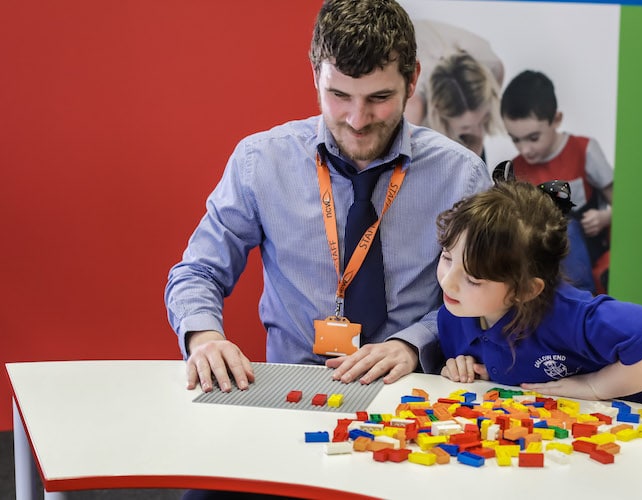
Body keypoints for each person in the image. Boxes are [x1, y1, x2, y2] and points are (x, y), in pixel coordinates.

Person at [164, 0, 492, 398]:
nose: (357, 119)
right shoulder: (261, 162)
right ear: (315, 76)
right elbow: (197, 272)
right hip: (291, 388)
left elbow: (489, 293)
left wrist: (412, 343)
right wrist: (204, 338)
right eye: (339, 95)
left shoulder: (462, 174)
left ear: (412, 79)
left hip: (413, 390)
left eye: (379, 97)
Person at [435, 180, 642, 402]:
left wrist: (595, 386)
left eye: (473, 279)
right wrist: (462, 368)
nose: (448, 282)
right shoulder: (454, 313)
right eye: (447, 258)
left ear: (525, 290)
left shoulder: (572, 316)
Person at [500, 69, 613, 294]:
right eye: (515, 140)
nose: (525, 149)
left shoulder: (584, 150)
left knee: (566, 226)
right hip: (540, 267)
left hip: (588, 259)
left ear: (557, 120)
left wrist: (605, 217)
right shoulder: (515, 169)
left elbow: (625, 205)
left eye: (533, 138)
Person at [405, 20, 504, 162]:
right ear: (438, 112)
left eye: (484, 118)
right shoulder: (414, 105)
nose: (478, 131)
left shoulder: (492, 66)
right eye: (465, 127)